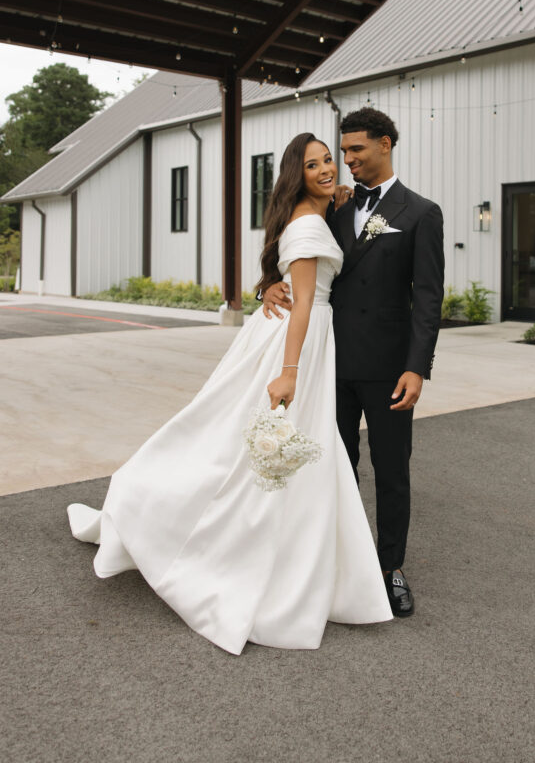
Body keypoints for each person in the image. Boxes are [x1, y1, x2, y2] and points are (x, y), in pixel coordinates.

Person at [67, 133, 392, 655]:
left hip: (298, 337)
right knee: (258, 450)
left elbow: (297, 281)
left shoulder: (315, 214)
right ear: (296, 175)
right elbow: (306, 304)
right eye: (314, 165)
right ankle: (208, 541)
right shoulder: (307, 224)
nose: (328, 168)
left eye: (329, 159)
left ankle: (287, 558)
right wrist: (289, 372)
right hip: (297, 346)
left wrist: (277, 276)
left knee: (270, 450)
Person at [264, 109, 444, 618]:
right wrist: (268, 285)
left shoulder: (421, 213)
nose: (346, 162)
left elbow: (428, 298)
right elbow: (300, 262)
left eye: (355, 151)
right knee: (331, 467)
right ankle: (329, 563)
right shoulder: (332, 208)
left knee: (391, 473)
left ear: (385, 145)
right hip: (331, 364)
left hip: (389, 368)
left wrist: (417, 367)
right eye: (341, 153)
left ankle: (390, 570)